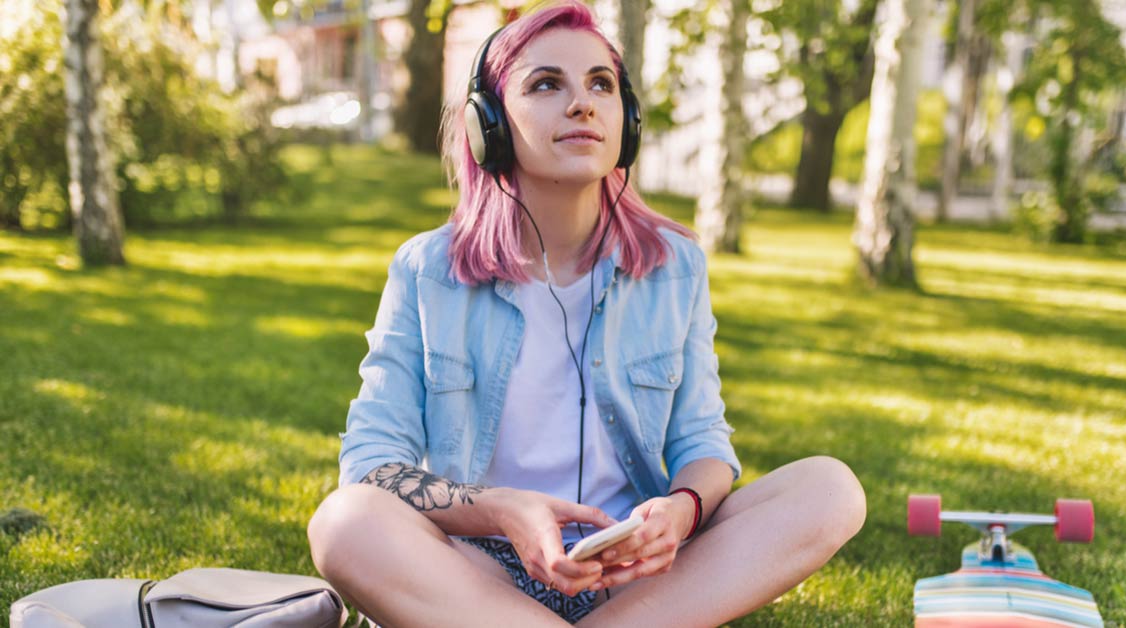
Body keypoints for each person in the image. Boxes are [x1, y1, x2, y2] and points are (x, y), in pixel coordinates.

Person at [307, 1, 866, 625]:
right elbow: (371, 466)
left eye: (601, 84)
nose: (583, 103)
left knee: (830, 489)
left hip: (633, 579)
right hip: (479, 570)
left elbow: (703, 444)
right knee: (343, 521)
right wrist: (500, 509)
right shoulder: (426, 270)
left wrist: (680, 511)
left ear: (625, 122)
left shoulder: (675, 267)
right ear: (485, 125)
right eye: (547, 84)